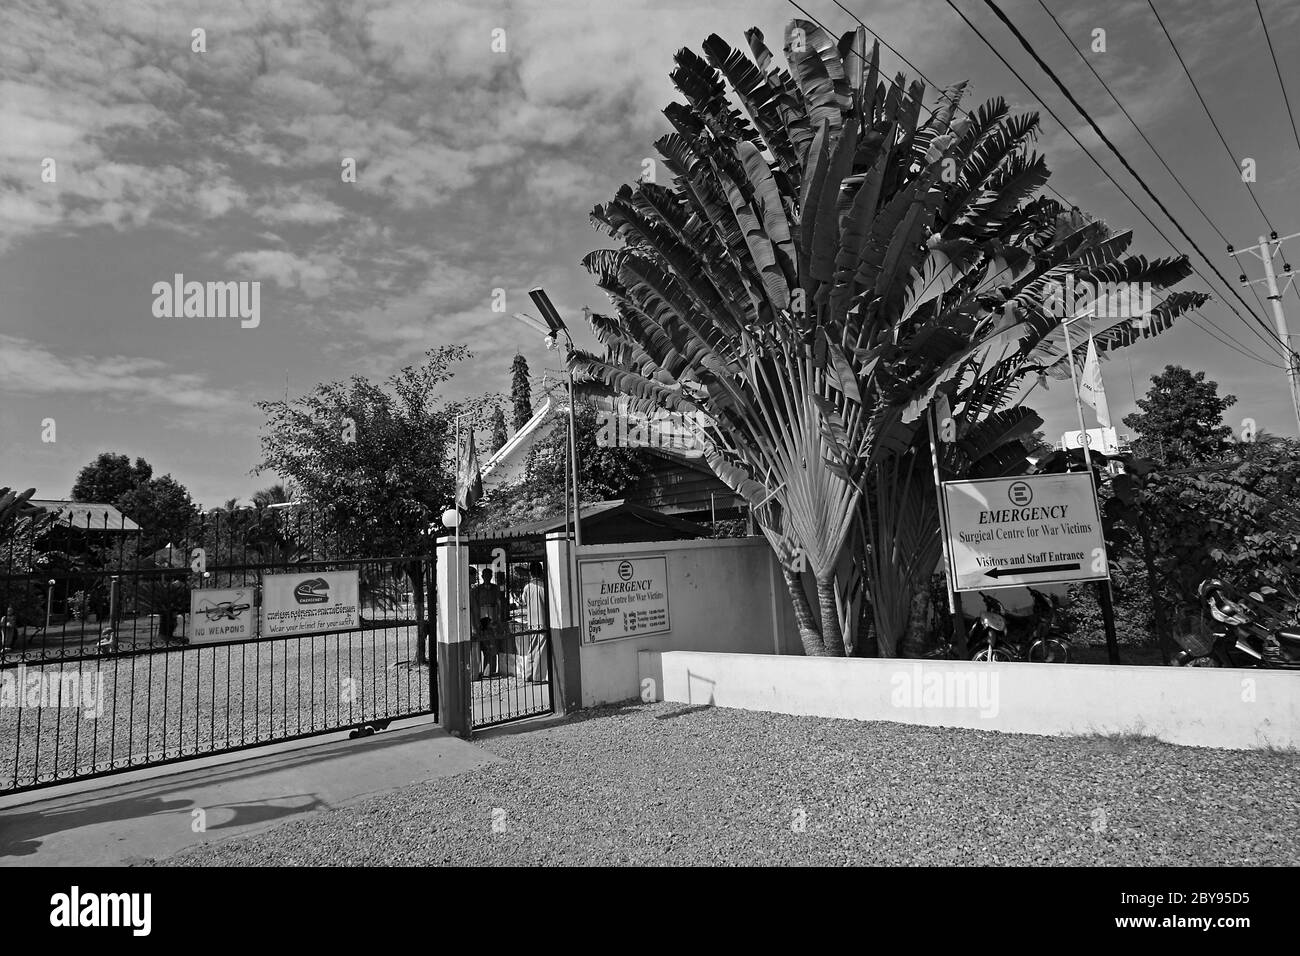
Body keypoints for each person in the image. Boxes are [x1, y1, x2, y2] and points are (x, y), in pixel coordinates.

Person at [469, 566, 505, 679]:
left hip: (492, 614)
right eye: (485, 575)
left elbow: (499, 603)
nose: (487, 577)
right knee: (483, 644)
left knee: (492, 643)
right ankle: (482, 670)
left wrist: (498, 618)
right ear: (482, 576)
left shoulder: (496, 589)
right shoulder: (476, 590)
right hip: (481, 615)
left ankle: (491, 670)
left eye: (489, 575)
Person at [517, 561, 549, 684]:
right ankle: (537, 677)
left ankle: (528, 675)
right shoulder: (544, 586)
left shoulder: (527, 587)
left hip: (531, 622)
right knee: (540, 651)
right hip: (542, 622)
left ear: (530, 573)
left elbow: (523, 602)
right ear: (541, 572)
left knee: (531, 649)